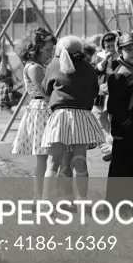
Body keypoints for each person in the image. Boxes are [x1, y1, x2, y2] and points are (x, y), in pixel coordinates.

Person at [41, 36, 106, 200]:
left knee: (53, 162)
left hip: (60, 116)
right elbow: (93, 91)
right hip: (81, 116)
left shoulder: (53, 65)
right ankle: (82, 199)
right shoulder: (89, 68)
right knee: (80, 161)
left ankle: (45, 201)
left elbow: (46, 90)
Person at [10, 28, 56, 197]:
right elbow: (45, 92)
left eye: (52, 50)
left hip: (46, 109)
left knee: (49, 158)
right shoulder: (34, 68)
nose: (50, 54)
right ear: (35, 48)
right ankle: (40, 197)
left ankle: (45, 195)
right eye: (47, 50)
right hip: (42, 110)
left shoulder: (42, 66)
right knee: (44, 158)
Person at [105, 33, 133, 202]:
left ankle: (131, 200)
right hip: (125, 128)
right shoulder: (120, 74)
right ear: (119, 50)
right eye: (128, 49)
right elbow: (114, 106)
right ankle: (116, 202)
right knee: (121, 166)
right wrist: (126, 123)